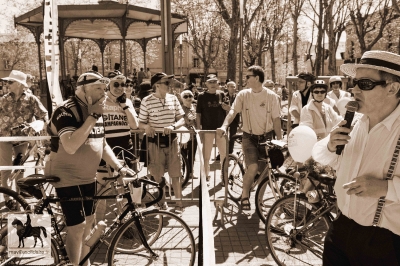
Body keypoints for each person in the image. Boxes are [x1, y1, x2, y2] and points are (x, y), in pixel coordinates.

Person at [312, 50, 400, 265]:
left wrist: (386, 188)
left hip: (384, 241)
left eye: (365, 84)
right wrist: (331, 145)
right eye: (354, 82)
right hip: (340, 229)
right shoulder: (355, 120)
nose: (354, 89)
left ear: (393, 88)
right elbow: (320, 155)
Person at [45, 71, 135, 266]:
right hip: (65, 176)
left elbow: (102, 145)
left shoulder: (96, 110)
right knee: (77, 228)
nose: (103, 93)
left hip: (88, 177)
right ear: (83, 89)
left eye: (104, 88)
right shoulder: (66, 110)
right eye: (98, 88)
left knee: (88, 225)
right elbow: (70, 145)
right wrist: (93, 117)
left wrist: (119, 167)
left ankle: (83, 263)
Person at [217, 65, 282, 211]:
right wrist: (223, 126)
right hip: (249, 137)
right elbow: (233, 111)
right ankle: (245, 195)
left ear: (257, 78)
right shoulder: (243, 95)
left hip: (267, 137)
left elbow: (276, 120)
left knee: (266, 171)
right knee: (252, 166)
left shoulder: (271, 96)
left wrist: (280, 140)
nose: (245, 79)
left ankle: (259, 202)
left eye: (248, 76)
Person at [0, 70, 48, 209]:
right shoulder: (3, 99)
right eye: (7, 82)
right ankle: (8, 198)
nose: (7, 84)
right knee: (6, 169)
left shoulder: (31, 99)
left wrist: (41, 125)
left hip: (22, 138)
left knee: (19, 168)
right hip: (4, 138)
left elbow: (44, 114)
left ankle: (19, 197)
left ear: (20, 84)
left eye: (10, 82)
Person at [138, 72, 185, 213]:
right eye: (166, 83)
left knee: (176, 174)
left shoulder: (174, 99)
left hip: (172, 141)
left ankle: (179, 204)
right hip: (154, 142)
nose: (169, 85)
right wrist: (146, 127)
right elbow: (140, 123)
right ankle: (162, 203)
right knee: (158, 176)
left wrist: (173, 127)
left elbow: (182, 119)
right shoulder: (146, 101)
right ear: (157, 85)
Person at [196, 74, 227, 186]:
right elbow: (198, 114)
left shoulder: (222, 94)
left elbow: (229, 111)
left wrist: (227, 109)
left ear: (218, 83)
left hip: (220, 130)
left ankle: (224, 177)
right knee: (206, 156)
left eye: (215, 82)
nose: (213, 84)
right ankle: (205, 177)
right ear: (206, 84)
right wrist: (199, 129)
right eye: (210, 82)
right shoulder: (201, 96)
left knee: (224, 154)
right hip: (207, 130)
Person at [102, 71, 139, 157]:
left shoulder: (128, 102)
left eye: (122, 85)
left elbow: (134, 126)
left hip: (125, 143)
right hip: (106, 144)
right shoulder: (101, 100)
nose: (119, 87)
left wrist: (125, 106)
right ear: (108, 85)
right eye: (116, 84)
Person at [180, 90, 198, 179]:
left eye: (190, 96)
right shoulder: (180, 108)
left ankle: (190, 173)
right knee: (183, 156)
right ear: (182, 99)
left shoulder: (194, 107)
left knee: (192, 155)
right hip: (184, 136)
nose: (188, 98)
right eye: (185, 96)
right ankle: (183, 174)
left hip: (194, 135)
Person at [225, 81, 240, 154]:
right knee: (224, 136)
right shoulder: (223, 96)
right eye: (231, 86)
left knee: (232, 137)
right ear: (227, 87)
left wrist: (230, 108)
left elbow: (239, 108)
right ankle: (223, 152)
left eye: (234, 86)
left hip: (234, 119)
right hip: (224, 120)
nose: (233, 88)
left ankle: (230, 152)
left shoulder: (238, 97)